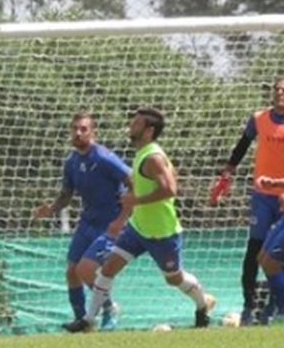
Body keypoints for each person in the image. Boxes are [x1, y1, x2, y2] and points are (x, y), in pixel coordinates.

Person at [65, 108, 215, 331]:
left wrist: (136, 201)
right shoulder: (143, 153)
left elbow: (170, 189)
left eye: (136, 123)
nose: (130, 126)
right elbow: (171, 177)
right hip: (137, 229)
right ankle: (88, 320)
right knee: (107, 270)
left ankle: (203, 304)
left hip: (162, 232)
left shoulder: (152, 156)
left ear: (149, 131)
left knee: (174, 278)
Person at [212, 77, 284, 322]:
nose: (279, 93)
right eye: (276, 90)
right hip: (263, 196)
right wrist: (229, 170)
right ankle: (249, 306)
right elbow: (243, 144)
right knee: (255, 250)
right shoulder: (259, 119)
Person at [33, 112, 130, 329]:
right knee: (71, 271)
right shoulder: (71, 162)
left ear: (92, 132)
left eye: (83, 129)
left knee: (86, 270)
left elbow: (131, 179)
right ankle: (81, 320)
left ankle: (109, 308)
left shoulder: (104, 158)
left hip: (110, 224)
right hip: (88, 222)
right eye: (75, 128)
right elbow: (66, 195)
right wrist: (51, 208)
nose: (78, 133)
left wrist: (124, 214)